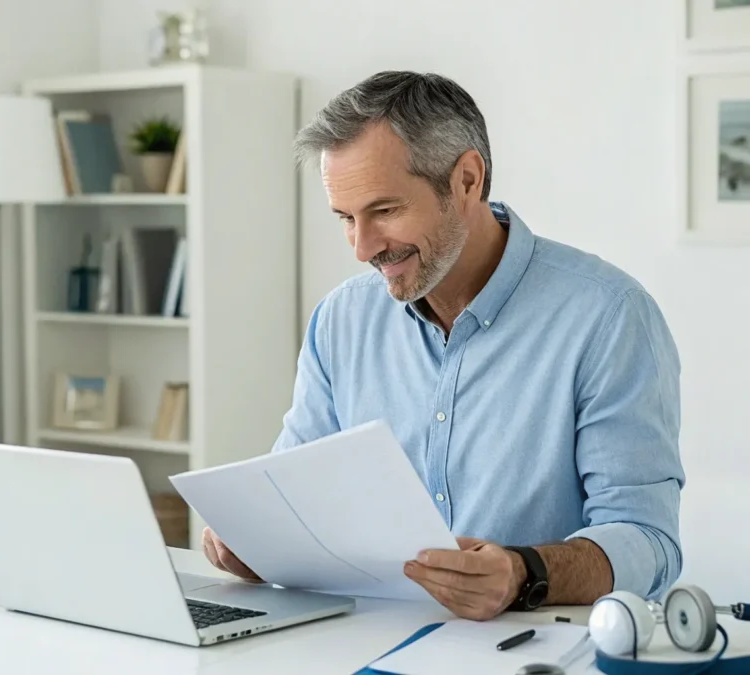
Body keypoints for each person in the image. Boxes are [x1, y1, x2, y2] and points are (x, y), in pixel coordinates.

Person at [201, 71, 684, 621]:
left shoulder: (608, 317)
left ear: (467, 180)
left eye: (384, 211)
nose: (362, 248)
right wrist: (259, 542)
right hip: (361, 640)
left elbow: (649, 542)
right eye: (345, 219)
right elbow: (293, 493)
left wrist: (524, 572)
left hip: (527, 650)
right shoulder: (342, 319)